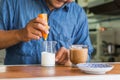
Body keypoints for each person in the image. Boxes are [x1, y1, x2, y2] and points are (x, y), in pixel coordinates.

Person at [0, 0, 93, 65]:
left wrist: (73, 57)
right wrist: (20, 34)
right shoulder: (12, 2)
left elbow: (86, 54)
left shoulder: (78, 13)